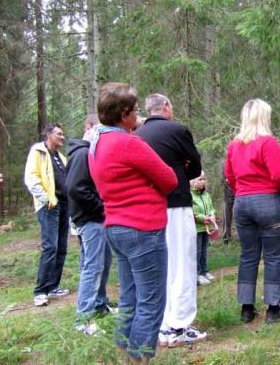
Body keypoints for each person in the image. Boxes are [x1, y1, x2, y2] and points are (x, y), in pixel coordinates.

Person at [88, 83, 177, 363]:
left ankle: (123, 355)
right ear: (124, 113)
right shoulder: (128, 143)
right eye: (135, 110)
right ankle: (138, 360)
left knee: (129, 299)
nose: (138, 115)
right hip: (142, 229)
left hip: (115, 226)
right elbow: (170, 180)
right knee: (150, 302)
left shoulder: (96, 142)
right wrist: (151, 183)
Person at [135, 93, 206, 348]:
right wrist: (180, 168)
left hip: (147, 208)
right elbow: (196, 168)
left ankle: (163, 324)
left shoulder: (138, 135)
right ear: (166, 106)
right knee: (183, 265)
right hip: (175, 204)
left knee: (160, 267)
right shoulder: (177, 130)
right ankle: (180, 326)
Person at [224, 98, 280, 324]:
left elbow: (230, 176)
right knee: (273, 256)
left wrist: (244, 193)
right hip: (269, 201)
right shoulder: (268, 143)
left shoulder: (233, 145)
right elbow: (279, 175)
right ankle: (273, 310)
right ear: (264, 117)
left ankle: (247, 308)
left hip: (243, 203)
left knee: (248, 254)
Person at [66, 114, 112, 335]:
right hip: (90, 219)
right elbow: (76, 189)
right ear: (90, 129)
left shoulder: (89, 153)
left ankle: (100, 305)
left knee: (102, 263)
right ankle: (83, 319)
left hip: (96, 218)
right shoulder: (82, 153)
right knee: (92, 267)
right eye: (101, 131)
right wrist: (101, 207)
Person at [25, 123, 70, 307]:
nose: (62, 137)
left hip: (64, 205)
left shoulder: (60, 157)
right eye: (59, 134)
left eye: (62, 134)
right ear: (48, 135)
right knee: (50, 247)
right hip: (49, 206)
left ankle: (53, 286)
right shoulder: (38, 152)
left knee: (61, 247)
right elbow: (31, 178)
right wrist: (47, 199)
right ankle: (40, 291)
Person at [191, 171, 216, 286]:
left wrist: (212, 214)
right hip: (196, 228)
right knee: (197, 252)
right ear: (193, 181)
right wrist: (201, 217)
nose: (203, 181)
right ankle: (197, 274)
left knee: (204, 251)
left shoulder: (206, 194)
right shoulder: (190, 195)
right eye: (200, 179)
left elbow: (211, 207)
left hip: (207, 227)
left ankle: (205, 271)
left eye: (204, 179)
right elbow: (191, 212)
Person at [221, 172, 235, 244]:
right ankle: (226, 237)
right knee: (226, 215)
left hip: (240, 190)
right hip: (228, 191)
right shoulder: (226, 163)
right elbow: (224, 179)